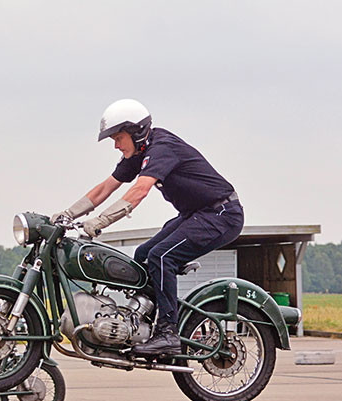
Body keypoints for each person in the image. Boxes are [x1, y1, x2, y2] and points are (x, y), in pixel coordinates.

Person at [54, 99, 244, 357]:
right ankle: (140, 323)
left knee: (162, 255)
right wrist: (66, 214)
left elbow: (140, 190)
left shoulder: (162, 147)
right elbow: (106, 187)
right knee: (144, 254)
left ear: (136, 132)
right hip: (196, 214)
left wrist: (101, 222)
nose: (116, 145)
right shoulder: (138, 153)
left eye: (118, 137)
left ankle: (168, 333)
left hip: (220, 213)